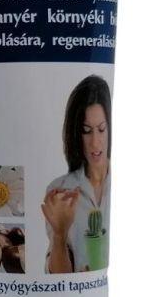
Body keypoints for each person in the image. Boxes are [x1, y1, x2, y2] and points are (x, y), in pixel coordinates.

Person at [42, 75, 111, 273]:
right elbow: (59, 279)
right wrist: (59, 234)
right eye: (86, 131)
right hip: (80, 292)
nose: (95, 143)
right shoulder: (62, 192)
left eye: (101, 129)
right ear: (75, 133)